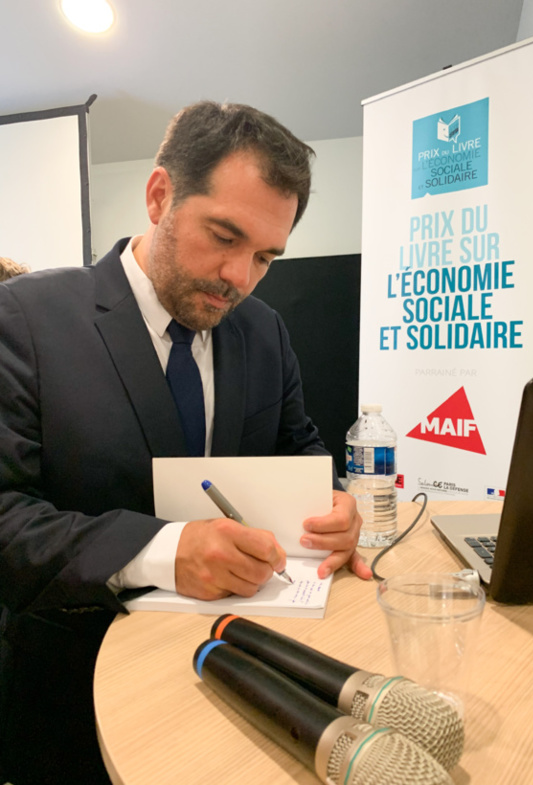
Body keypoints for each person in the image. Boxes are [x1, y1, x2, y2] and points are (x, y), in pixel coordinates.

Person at [0, 100, 371, 784]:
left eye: (265, 255)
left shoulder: (262, 331)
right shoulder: (25, 320)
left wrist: (335, 506)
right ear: (158, 194)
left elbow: (300, 449)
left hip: (246, 681)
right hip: (72, 699)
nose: (240, 277)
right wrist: (164, 549)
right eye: (224, 236)